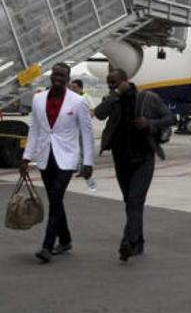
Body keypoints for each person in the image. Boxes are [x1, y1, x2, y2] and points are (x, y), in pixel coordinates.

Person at [95, 69, 175, 261]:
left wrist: (149, 123)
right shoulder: (113, 100)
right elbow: (98, 114)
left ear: (126, 81)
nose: (111, 86)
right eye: (109, 84)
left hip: (143, 158)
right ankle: (138, 242)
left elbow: (169, 118)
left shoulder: (147, 98)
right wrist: (113, 95)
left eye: (114, 82)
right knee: (130, 202)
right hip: (121, 158)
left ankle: (128, 243)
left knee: (134, 200)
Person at [21, 64, 94, 263]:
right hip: (45, 156)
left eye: (62, 76)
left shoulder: (78, 102)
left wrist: (88, 162)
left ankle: (47, 246)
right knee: (55, 200)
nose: (57, 79)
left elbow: (87, 133)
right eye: (55, 75)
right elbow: (34, 129)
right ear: (51, 77)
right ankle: (66, 239)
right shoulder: (38, 99)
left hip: (67, 158)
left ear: (68, 78)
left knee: (55, 196)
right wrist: (26, 157)